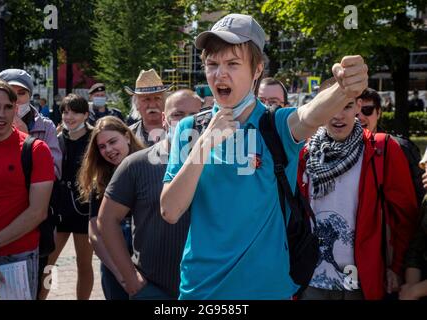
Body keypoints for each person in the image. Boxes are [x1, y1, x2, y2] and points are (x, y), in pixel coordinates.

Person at [160, 13, 368, 299]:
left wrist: (342, 90)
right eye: (212, 64)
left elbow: (310, 113)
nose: (220, 74)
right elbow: (170, 210)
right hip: (201, 291)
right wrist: (204, 144)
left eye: (232, 64)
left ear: (257, 69)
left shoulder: (276, 125)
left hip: (268, 290)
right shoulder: (189, 129)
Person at [296, 83, 418, 300]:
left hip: (362, 282)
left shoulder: (382, 148)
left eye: (347, 106)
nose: (338, 116)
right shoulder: (305, 152)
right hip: (310, 278)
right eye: (331, 106)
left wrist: (396, 267)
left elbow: (405, 216)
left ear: (358, 107)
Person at [98, 89, 202, 300]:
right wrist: (131, 279)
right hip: (153, 290)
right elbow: (106, 219)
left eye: (194, 116)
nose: (187, 122)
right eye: (178, 115)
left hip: (207, 288)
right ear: (164, 119)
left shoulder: (220, 166)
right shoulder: (137, 164)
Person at [0, 78, 54, 299]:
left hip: (17, 258)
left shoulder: (36, 150)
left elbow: (37, 212)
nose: (2, 114)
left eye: (8, 107)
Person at [77, 116, 144, 300]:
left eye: (113, 141)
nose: (109, 150)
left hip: (150, 261)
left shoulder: (151, 166)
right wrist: (120, 274)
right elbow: (95, 233)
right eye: (102, 146)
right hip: (114, 263)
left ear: (127, 137)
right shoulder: (101, 179)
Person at [38, 94, 94, 300]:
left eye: (75, 112)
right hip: (59, 210)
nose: (69, 116)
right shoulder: (58, 138)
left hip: (84, 210)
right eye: (65, 111)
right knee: (47, 263)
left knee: (84, 263)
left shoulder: (94, 139)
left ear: (86, 114)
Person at [356, 88, 424, 206]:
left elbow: (420, 193)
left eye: (367, 110)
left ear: (379, 113)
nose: (360, 117)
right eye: (355, 112)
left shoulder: (402, 147)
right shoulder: (340, 151)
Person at [125, 69, 171, 147]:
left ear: (165, 101)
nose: (152, 105)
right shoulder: (128, 136)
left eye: (157, 98)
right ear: (136, 105)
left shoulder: (178, 130)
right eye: (146, 99)